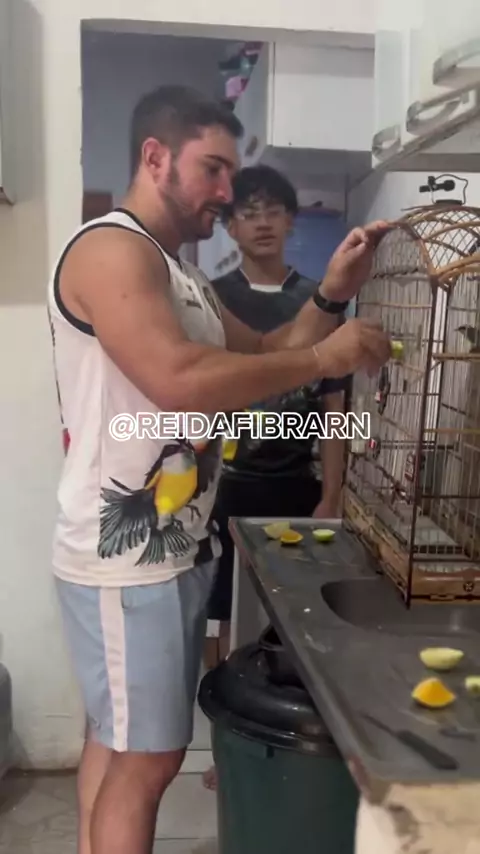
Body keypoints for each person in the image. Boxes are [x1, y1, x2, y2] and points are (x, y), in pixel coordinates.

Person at [46, 83, 391, 854]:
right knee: (146, 759)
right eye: (214, 169)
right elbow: (177, 378)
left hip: (165, 554)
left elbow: (266, 352)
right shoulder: (111, 249)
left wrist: (331, 293)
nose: (228, 192)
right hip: (125, 564)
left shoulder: (180, 273)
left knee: (119, 743)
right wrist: (323, 358)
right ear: (156, 157)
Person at [201, 164, 349, 789]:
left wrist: (332, 493)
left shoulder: (321, 299)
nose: (261, 222)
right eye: (247, 212)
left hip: (296, 484)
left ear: (291, 220)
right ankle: (226, 746)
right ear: (230, 226)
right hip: (225, 483)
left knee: (294, 612)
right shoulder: (213, 296)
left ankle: (285, 739)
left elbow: (334, 404)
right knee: (220, 616)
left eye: (272, 211)